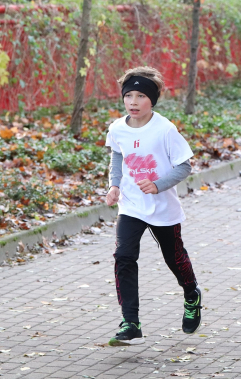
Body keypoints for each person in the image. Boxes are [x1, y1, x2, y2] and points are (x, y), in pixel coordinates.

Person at [104, 66, 200, 346]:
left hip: (162, 208)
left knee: (174, 257)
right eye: (129, 95)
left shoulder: (165, 129)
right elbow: (118, 157)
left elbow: (184, 166)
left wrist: (158, 184)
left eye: (141, 96)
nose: (133, 102)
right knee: (123, 256)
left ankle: (192, 294)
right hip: (131, 205)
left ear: (153, 100)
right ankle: (130, 322)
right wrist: (114, 185)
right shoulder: (117, 128)